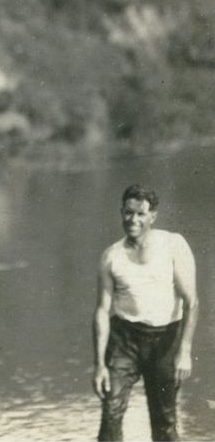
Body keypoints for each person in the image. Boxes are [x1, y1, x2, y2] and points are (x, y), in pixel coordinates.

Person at [93, 184, 199, 441]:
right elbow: (101, 310)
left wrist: (184, 351)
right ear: (121, 213)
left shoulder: (173, 245)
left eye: (141, 214)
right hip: (124, 340)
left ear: (153, 216)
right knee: (111, 415)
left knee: (164, 421)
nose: (133, 220)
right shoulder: (111, 256)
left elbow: (191, 302)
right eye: (128, 213)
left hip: (165, 339)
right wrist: (98, 365)